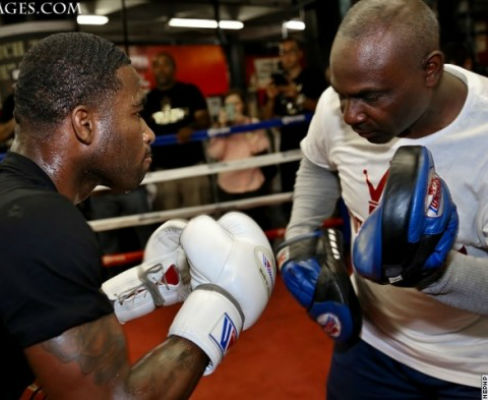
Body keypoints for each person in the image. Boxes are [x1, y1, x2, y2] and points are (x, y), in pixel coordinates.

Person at [0, 32, 275, 399]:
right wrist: (221, 306)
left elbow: (31, 316)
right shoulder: (39, 224)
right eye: (136, 114)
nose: (148, 133)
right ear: (85, 123)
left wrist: (146, 287)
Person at [276, 0, 487, 398]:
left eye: (371, 97)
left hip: (474, 369)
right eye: (342, 95)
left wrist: (433, 273)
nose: (351, 114)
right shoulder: (337, 107)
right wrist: (301, 232)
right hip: (370, 346)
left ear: (430, 70)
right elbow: (318, 161)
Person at [262, 36, 327, 216]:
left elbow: (324, 108)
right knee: (291, 198)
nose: (286, 57)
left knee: (317, 194)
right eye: (283, 52)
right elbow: (267, 120)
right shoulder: (277, 81)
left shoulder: (312, 76)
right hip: (287, 146)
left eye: (290, 51)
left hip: (313, 142)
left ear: (299, 54)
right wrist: (271, 98)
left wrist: (297, 97)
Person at [142, 52, 212, 210]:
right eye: (157, 65)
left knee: (199, 219)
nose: (161, 69)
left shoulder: (190, 91)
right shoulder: (147, 100)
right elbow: (141, 131)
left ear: (174, 68)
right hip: (163, 169)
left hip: (192, 166)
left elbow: (205, 120)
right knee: (169, 224)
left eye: (165, 64)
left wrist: (191, 128)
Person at [207, 89, 273, 229]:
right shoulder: (219, 127)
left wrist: (245, 126)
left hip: (253, 182)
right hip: (228, 185)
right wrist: (223, 129)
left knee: (259, 226)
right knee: (232, 230)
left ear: (242, 105)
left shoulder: (253, 122)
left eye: (236, 104)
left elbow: (260, 148)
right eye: (229, 105)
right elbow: (215, 154)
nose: (233, 108)